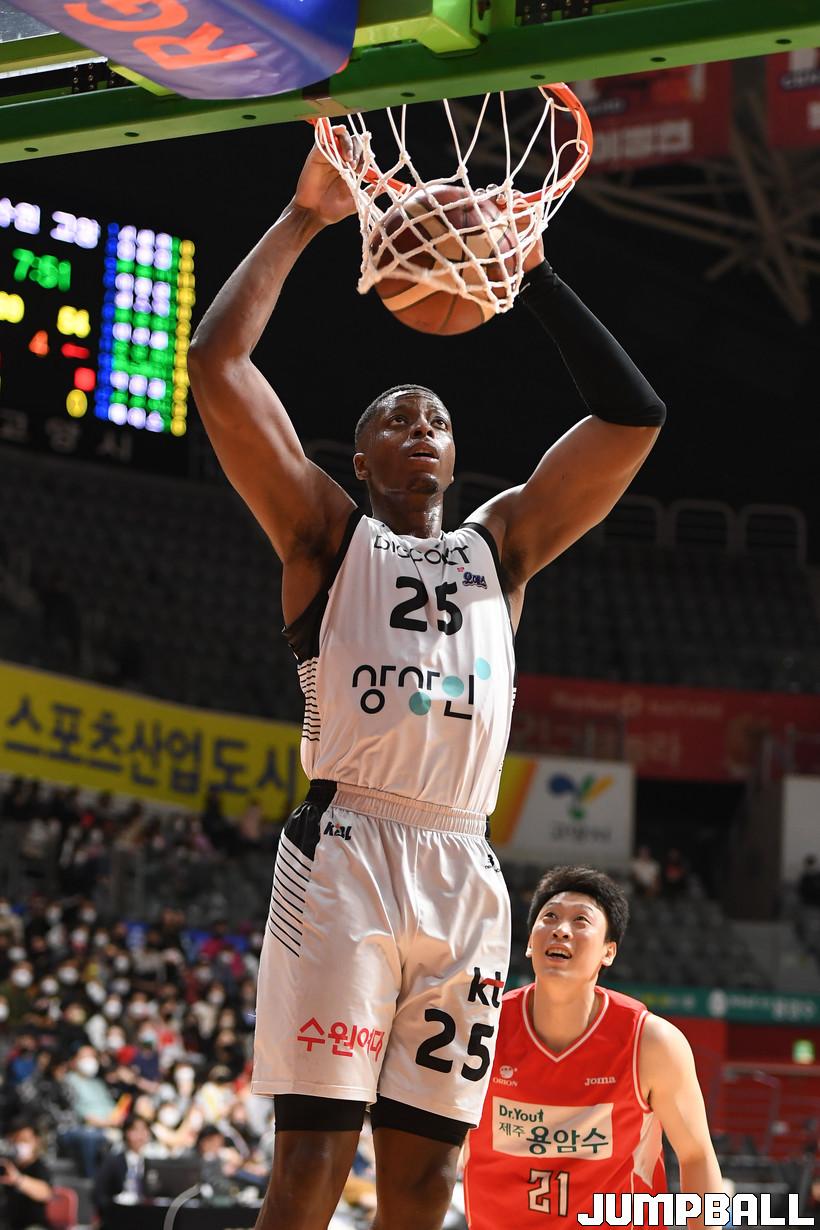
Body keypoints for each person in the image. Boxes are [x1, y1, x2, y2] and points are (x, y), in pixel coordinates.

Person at [188, 128, 665, 1230]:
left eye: (438, 420)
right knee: (311, 1163)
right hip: (348, 850)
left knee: (424, 1182)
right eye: (396, 419)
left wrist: (530, 272)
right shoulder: (324, 533)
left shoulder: (505, 546)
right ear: (358, 459)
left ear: (455, 458)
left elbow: (633, 417)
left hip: (464, 864)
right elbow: (217, 367)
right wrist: (304, 218)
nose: (422, 428)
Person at [463, 866, 721, 1229]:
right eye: (549, 917)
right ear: (529, 942)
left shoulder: (651, 1042)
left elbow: (696, 1155)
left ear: (608, 952)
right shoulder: (482, 1029)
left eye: (581, 920)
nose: (561, 929)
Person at [0, 1120, 53, 1230]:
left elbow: (46, 1193)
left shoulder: (39, 1167)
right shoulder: (7, 1165)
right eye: (16, 1140)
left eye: (24, 1140)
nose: (20, 1144)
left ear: (36, 1141)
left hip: (33, 1225)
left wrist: (18, 1180)